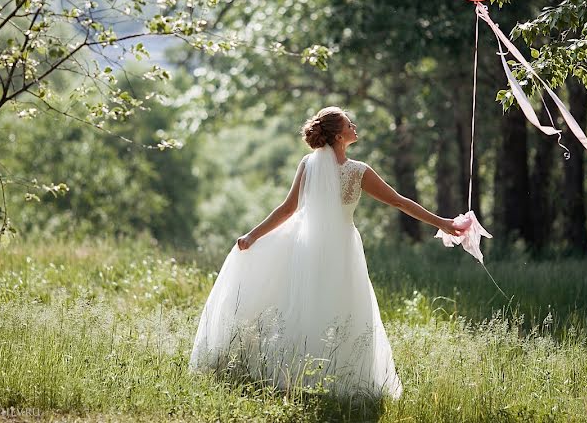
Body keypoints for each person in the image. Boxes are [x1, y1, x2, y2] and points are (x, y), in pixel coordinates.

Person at [187, 106, 465, 401]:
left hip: (315, 246)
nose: (354, 126)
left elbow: (397, 202)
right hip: (333, 248)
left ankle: (326, 377)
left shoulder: (322, 166)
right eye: (349, 123)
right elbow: (397, 203)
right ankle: (303, 375)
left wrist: (443, 224)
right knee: (325, 306)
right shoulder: (350, 170)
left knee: (326, 308)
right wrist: (252, 235)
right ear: (337, 135)